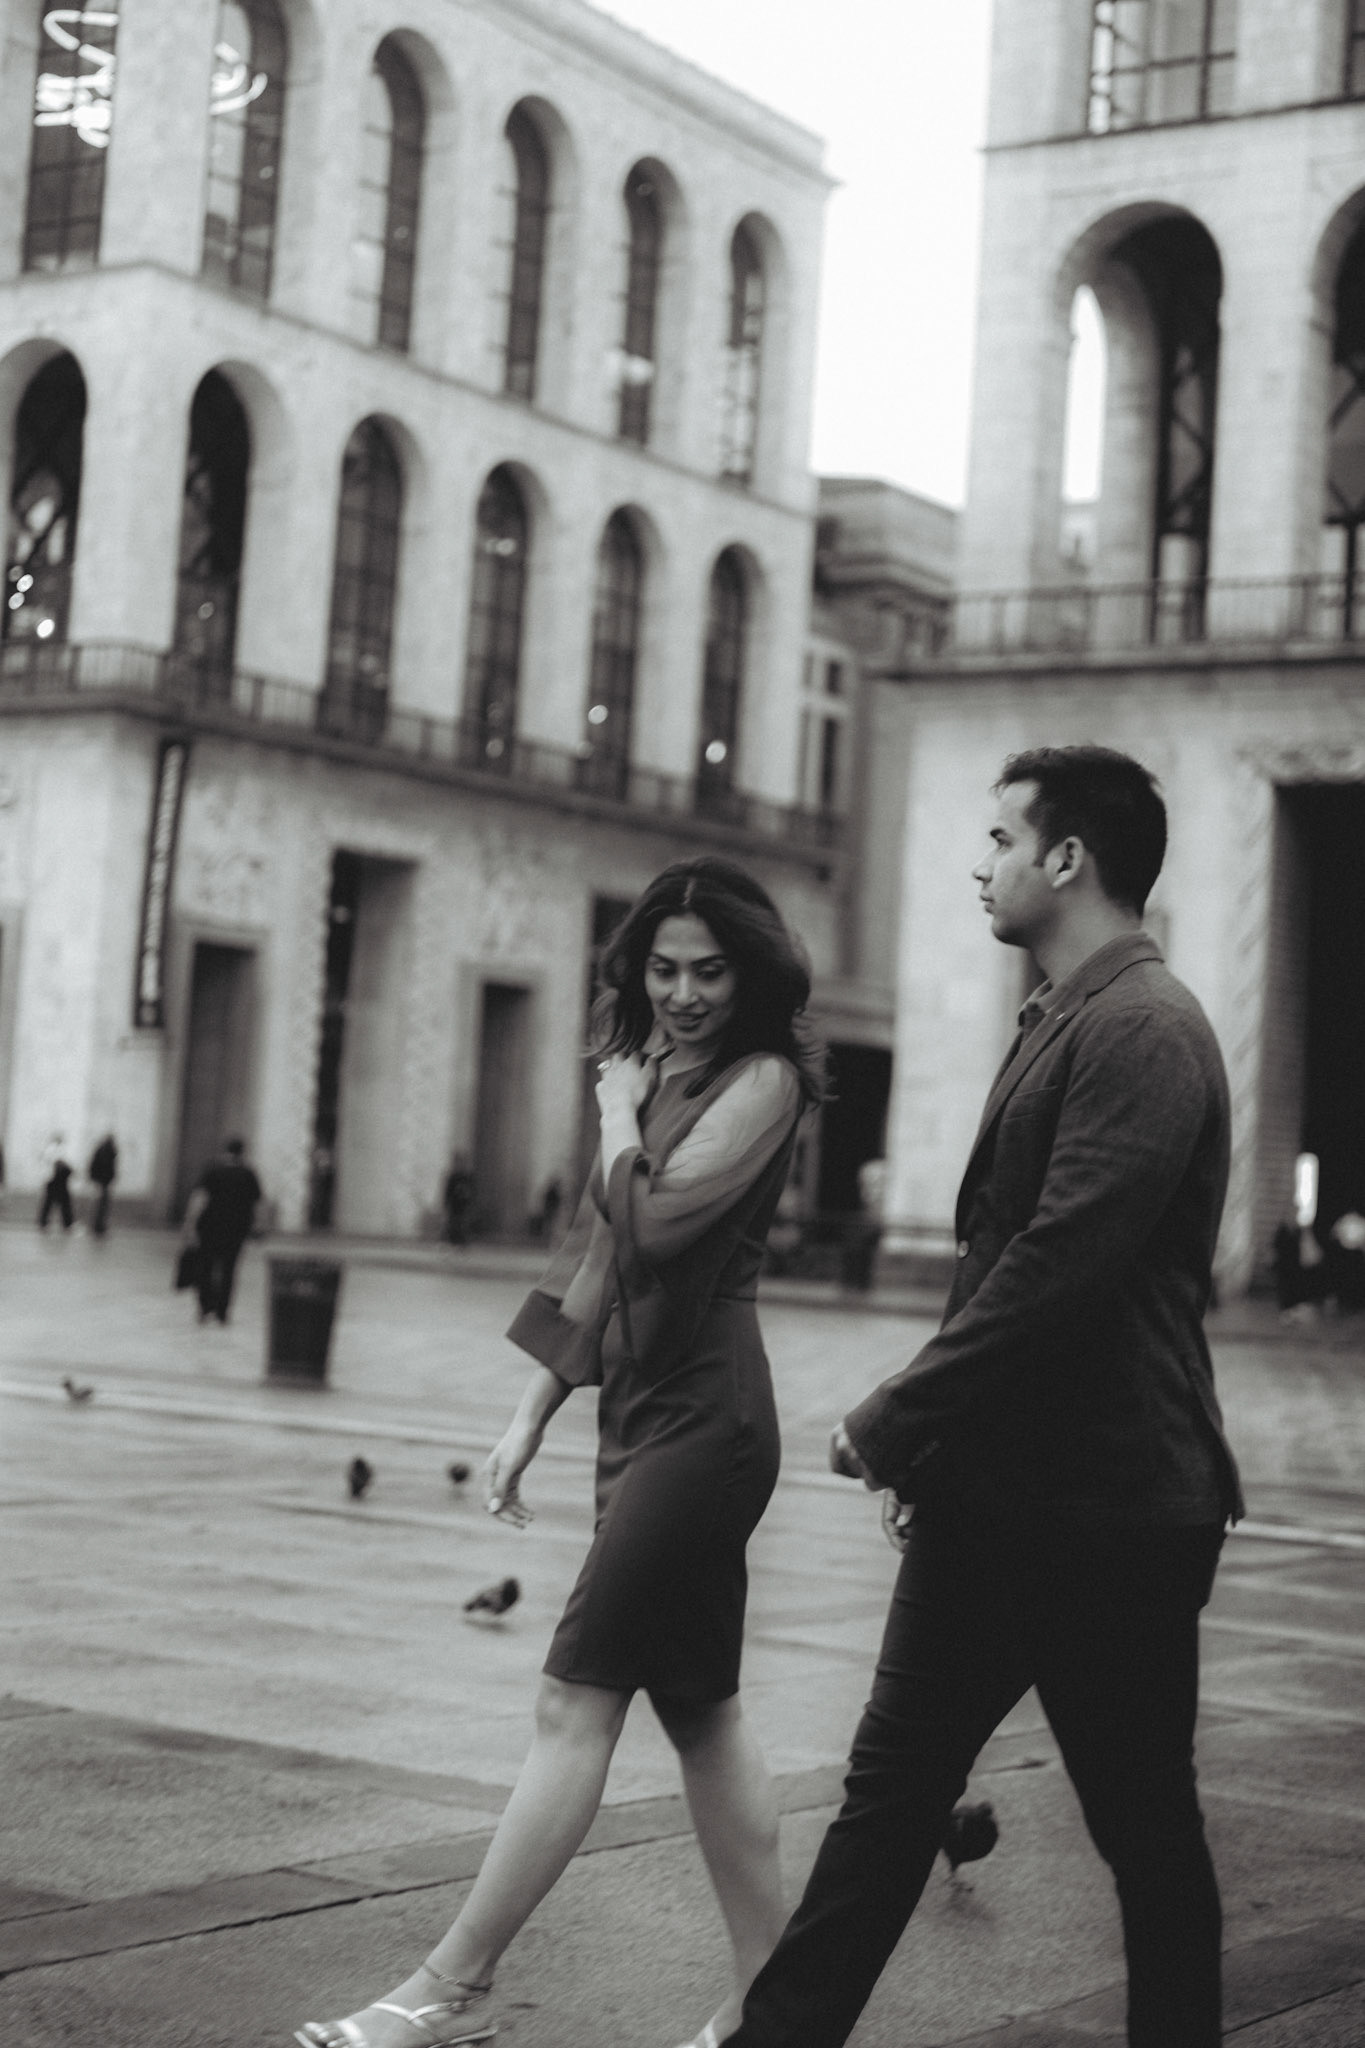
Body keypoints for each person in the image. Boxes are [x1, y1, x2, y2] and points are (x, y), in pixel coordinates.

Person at [698, 747, 1243, 2048]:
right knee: (891, 1798)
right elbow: (1010, 1263)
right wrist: (937, 1449)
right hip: (1003, 1496)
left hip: (1111, 1510)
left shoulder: (1145, 1026)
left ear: (1069, 858)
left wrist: (897, 1415)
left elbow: (1062, 1263)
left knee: (1143, 1827)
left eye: (1001, 838)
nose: (979, 864)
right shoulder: (1066, 1014)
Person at [295, 856, 823, 2048]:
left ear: (750, 974)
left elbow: (656, 1224)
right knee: (702, 1711)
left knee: (571, 1698)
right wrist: (531, 1412)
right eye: (663, 969)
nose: (683, 992)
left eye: (710, 970)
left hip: (708, 1422)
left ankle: (450, 1985)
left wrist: (615, 1114)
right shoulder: (660, 1067)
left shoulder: (764, 1080)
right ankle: (777, 2004)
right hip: (641, 1413)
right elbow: (597, 1256)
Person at [182, 1136, 262, 1325]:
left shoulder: (212, 1170)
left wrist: (190, 1223)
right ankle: (222, 1312)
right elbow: (258, 1202)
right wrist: (257, 1225)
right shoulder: (248, 1173)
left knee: (206, 1266)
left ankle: (204, 1308)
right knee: (229, 1269)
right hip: (236, 1229)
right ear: (242, 1152)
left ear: (225, 1151)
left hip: (209, 1227)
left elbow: (199, 1198)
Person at [37, 1141, 74, 1231]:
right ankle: (67, 1223)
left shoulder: (50, 1150)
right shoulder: (56, 1150)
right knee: (62, 1203)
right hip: (56, 1180)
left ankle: (43, 1222)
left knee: (50, 1202)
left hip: (52, 1180)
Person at [88, 1133, 118, 1236]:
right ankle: (98, 1226)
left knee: (101, 1204)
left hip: (102, 1182)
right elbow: (103, 1167)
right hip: (102, 1182)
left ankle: (98, 1226)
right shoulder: (106, 1151)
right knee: (101, 1204)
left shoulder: (105, 1151)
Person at [442, 1152, 474, 1245]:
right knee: (454, 1221)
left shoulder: (467, 1177)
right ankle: (453, 1239)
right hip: (454, 1204)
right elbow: (448, 1191)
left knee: (462, 1222)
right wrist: (446, 1203)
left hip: (463, 1204)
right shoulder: (453, 1177)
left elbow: (472, 1190)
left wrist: (469, 1200)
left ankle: (461, 1239)